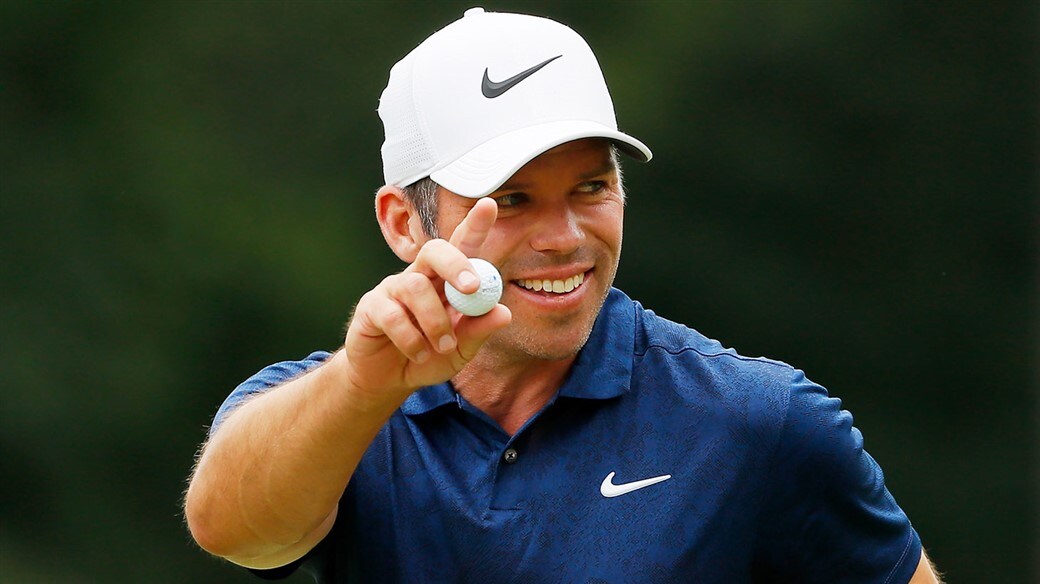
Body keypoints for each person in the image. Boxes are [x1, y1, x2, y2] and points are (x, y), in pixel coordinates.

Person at [185, 8, 941, 583]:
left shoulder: (760, 421)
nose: (565, 236)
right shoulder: (331, 411)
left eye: (592, 186)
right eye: (511, 200)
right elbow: (231, 528)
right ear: (402, 223)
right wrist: (359, 389)